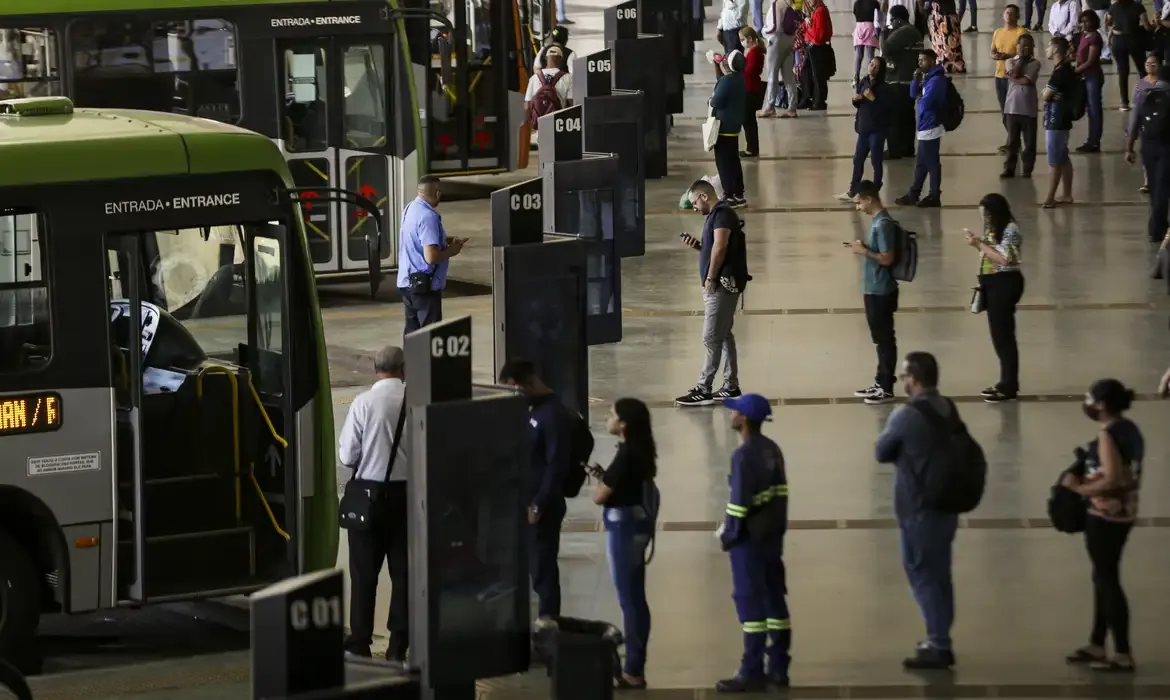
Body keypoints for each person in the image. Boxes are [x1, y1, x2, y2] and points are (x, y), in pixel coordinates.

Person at [874, 351, 960, 670]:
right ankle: (940, 635)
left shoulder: (906, 415)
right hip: (946, 504)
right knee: (940, 573)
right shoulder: (948, 407)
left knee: (922, 573)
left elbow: (881, 451)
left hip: (918, 507)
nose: (902, 383)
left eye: (903, 377)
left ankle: (938, 644)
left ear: (914, 379)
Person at [1061, 380, 1143, 673]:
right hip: (1125, 513)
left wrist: (1078, 489)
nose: (1087, 404)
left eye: (1090, 399)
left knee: (1108, 581)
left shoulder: (1108, 433)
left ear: (1103, 405)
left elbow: (1111, 479)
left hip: (1105, 517)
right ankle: (1097, 642)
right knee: (1103, 577)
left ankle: (1122, 652)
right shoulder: (1130, 429)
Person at [714, 393, 790, 693]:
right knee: (774, 600)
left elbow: (738, 506)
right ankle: (779, 667)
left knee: (750, 605)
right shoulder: (773, 450)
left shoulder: (743, 456)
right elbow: (780, 495)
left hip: (749, 542)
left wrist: (729, 536)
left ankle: (751, 670)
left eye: (734, 411)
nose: (731, 414)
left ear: (743, 419)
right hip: (772, 539)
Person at [339, 346, 410, 663]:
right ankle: (398, 645)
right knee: (404, 574)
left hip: (368, 498)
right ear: (403, 369)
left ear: (374, 368)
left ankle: (360, 641)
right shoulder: (415, 401)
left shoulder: (363, 403)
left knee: (364, 574)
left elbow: (347, 456)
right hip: (407, 498)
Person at [590, 398, 659, 690]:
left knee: (630, 600)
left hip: (624, 532)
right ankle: (635, 663)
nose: (608, 418)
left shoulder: (626, 455)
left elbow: (599, 497)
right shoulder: (642, 452)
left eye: (612, 415)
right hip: (638, 528)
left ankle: (633, 670)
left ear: (623, 424)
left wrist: (600, 483)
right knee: (635, 599)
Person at [498, 359, 571, 621]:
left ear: (529, 383)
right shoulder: (531, 411)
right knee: (529, 568)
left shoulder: (552, 415)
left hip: (542, 508)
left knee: (543, 571)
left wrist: (539, 503)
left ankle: (549, 625)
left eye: (516, 390)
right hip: (524, 502)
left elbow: (557, 465)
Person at [676, 180, 746, 407]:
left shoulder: (722, 214)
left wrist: (711, 278)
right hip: (720, 283)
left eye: (694, 201)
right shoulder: (716, 216)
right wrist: (698, 245)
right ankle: (730, 386)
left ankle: (703, 388)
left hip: (720, 285)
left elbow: (721, 247)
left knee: (710, 337)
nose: (694, 207)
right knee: (724, 334)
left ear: (704, 196)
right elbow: (713, 247)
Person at [964, 194, 1025, 403]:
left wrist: (980, 246)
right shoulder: (994, 230)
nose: (985, 220)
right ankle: (1004, 381)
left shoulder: (1010, 230)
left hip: (1005, 283)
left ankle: (1010, 385)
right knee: (998, 335)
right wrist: (979, 242)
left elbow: (1006, 258)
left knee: (1004, 336)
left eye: (987, 215)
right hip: (992, 284)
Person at [396, 176, 465, 336]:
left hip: (408, 283)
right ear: (438, 193)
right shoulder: (429, 216)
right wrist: (452, 250)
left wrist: (443, 240)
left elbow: (417, 239)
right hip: (424, 288)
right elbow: (431, 257)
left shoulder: (410, 208)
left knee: (413, 334)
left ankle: (410, 361)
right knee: (430, 337)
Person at [851, 180, 900, 405]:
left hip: (881, 290)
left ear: (869, 198)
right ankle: (881, 381)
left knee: (885, 339)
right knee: (880, 339)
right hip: (873, 288)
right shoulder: (877, 222)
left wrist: (863, 251)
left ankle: (886, 386)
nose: (858, 207)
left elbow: (887, 258)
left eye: (859, 202)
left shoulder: (883, 224)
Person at [894, 49, 947, 208]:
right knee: (921, 164)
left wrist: (921, 99)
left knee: (932, 163)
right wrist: (915, 80)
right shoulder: (927, 77)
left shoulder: (937, 80)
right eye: (919, 60)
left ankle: (934, 195)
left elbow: (926, 102)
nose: (920, 63)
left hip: (930, 126)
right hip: (924, 126)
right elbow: (913, 95)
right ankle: (914, 194)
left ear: (932, 61)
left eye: (923, 60)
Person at [1125, 64, 1170, 242]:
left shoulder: (1145, 94)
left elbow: (1134, 119)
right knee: (1163, 187)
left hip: (1148, 145)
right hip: (1166, 146)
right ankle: (1158, 227)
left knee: (1153, 186)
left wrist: (1129, 147)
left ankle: (1155, 226)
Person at [837, 58, 892, 200]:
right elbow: (860, 104)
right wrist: (855, 101)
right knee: (858, 159)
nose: (872, 68)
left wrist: (873, 99)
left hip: (877, 129)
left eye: (876, 67)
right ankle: (853, 189)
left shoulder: (884, 88)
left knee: (875, 160)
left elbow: (886, 109)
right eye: (871, 64)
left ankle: (875, 187)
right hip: (864, 128)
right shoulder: (864, 81)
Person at [882, 5, 925, 160]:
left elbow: (885, 49)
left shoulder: (904, 32)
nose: (891, 23)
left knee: (895, 116)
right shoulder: (913, 31)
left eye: (892, 20)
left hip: (900, 81)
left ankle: (894, 149)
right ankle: (907, 147)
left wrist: (883, 34)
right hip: (909, 80)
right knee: (906, 116)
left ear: (898, 20)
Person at [710, 50, 748, 207]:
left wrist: (710, 101)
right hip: (734, 126)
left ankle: (729, 194)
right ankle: (739, 193)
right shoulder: (740, 79)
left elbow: (717, 101)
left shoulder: (727, 81)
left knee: (724, 162)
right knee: (733, 160)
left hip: (723, 126)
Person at [1042, 36, 1077, 206]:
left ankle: (1050, 197)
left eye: (1049, 47)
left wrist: (1045, 93)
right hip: (1063, 118)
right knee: (1063, 157)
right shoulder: (1066, 69)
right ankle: (1067, 194)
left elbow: (1046, 94)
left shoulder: (1060, 71)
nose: (1047, 50)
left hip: (1056, 120)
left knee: (1054, 160)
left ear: (1056, 49)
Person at [1001, 34, 1042, 178]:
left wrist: (1010, 77)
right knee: (1012, 142)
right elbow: (1016, 72)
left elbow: (1026, 81)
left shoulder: (1035, 63)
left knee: (1030, 142)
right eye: (1022, 45)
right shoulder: (1009, 61)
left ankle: (1027, 169)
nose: (1025, 48)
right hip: (1012, 107)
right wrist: (1020, 63)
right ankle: (1009, 168)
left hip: (1029, 109)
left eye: (1028, 45)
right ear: (1016, 46)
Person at [991, 6, 1030, 150]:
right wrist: (995, 55)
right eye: (1007, 13)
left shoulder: (1021, 32)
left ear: (1017, 16)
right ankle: (1013, 141)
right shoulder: (998, 32)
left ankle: (1015, 141)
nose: (1008, 16)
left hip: (1014, 77)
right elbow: (993, 50)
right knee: (1004, 111)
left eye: (1012, 14)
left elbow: (1025, 54)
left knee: (1014, 110)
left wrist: (1008, 56)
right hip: (999, 75)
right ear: (1003, 15)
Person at [1126, 53, 1162, 195]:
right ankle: (1148, 182)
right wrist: (1131, 135)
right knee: (1147, 154)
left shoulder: (1164, 84)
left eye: (1154, 64)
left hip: (1163, 125)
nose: (1150, 66)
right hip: (1147, 127)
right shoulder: (1141, 85)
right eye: (1148, 64)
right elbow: (1136, 111)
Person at [1105, 0, 1152, 107]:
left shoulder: (1113, 7)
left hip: (1118, 41)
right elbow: (1147, 26)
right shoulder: (1138, 6)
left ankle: (1124, 103)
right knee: (1142, 69)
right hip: (1134, 39)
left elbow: (1107, 23)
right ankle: (1145, 98)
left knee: (1122, 72)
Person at [760, 0, 802, 118]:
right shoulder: (790, 3)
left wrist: (763, 32)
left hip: (776, 41)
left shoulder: (776, 4)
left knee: (772, 75)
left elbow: (774, 27)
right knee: (789, 76)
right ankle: (792, 108)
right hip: (789, 40)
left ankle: (770, 107)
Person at [1075, 11, 1106, 152]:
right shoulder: (1084, 36)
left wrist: (1077, 70)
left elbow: (1091, 60)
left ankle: (1094, 141)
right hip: (1085, 75)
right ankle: (1091, 139)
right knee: (1090, 109)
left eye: (1087, 21)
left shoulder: (1094, 37)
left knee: (1094, 109)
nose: (1084, 24)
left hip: (1092, 75)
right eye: (1082, 21)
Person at [525, 45, 573, 129]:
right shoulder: (568, 78)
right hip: (558, 125)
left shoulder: (534, 78)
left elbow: (526, 105)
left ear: (546, 59)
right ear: (561, 60)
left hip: (539, 125)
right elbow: (571, 103)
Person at [740, 28, 767, 157]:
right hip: (752, 87)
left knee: (748, 121)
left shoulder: (754, 52)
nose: (742, 42)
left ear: (749, 39)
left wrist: (738, 68)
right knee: (749, 121)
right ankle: (751, 147)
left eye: (742, 39)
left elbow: (749, 70)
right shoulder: (755, 51)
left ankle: (751, 148)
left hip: (751, 89)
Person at [803, 0, 834, 110]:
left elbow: (820, 33)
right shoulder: (816, 10)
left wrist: (812, 40)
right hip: (814, 45)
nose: (809, 1)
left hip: (817, 47)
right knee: (809, 73)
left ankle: (819, 102)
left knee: (818, 76)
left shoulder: (820, 11)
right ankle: (811, 98)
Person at [928, 0, 967, 73]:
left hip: (947, 16)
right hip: (937, 15)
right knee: (939, 44)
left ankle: (950, 65)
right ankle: (943, 65)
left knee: (950, 44)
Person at [852, 0, 882, 85]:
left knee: (858, 55)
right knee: (870, 55)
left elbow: (855, 13)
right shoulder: (874, 2)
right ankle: (871, 77)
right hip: (870, 27)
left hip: (859, 28)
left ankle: (856, 77)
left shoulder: (857, 3)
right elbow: (878, 15)